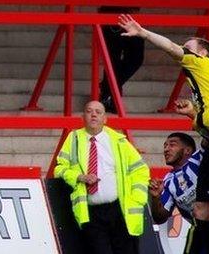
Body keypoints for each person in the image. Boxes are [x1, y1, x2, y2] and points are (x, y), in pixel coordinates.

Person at [118, 13, 209, 254]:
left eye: (189, 48)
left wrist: (143, 32)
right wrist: (194, 115)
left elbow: (171, 48)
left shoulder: (202, 64)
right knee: (204, 211)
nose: (184, 50)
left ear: (202, 53)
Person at [53, 100, 150, 254]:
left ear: (105, 119)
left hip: (119, 210)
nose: (93, 115)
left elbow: (140, 169)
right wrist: (79, 177)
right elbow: (59, 169)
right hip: (90, 211)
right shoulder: (73, 139)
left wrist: (137, 198)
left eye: (98, 112)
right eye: (89, 111)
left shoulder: (119, 141)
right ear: (82, 116)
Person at [99, 0, 160, 113]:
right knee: (114, 57)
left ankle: (108, 89)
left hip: (133, 18)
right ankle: (110, 97)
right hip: (113, 15)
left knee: (135, 57)